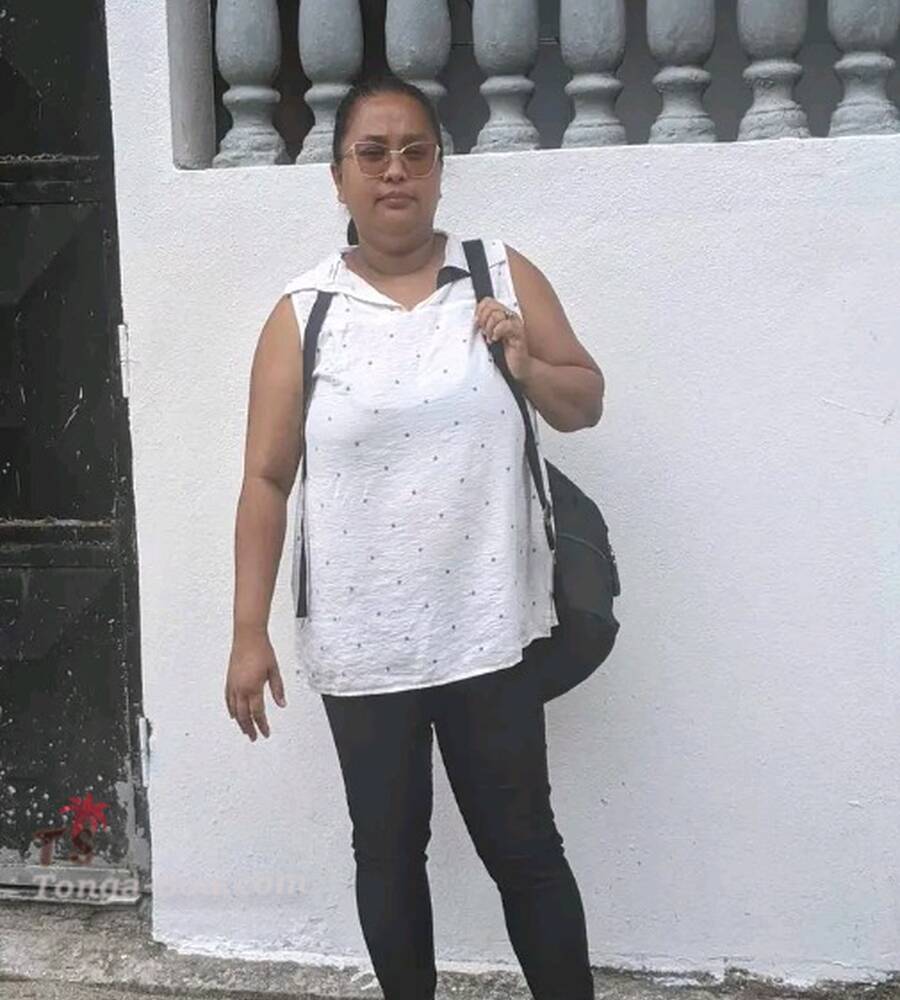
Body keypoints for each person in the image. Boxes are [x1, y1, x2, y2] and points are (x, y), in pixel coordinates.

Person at [225, 72, 605, 1000]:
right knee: (389, 855)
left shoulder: (499, 274)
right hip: (363, 645)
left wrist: (524, 361)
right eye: (372, 153)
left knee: (526, 849)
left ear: (439, 169)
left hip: (490, 633)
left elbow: (584, 401)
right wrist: (247, 631)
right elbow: (267, 479)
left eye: (414, 152)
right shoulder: (304, 311)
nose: (394, 171)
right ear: (339, 177)